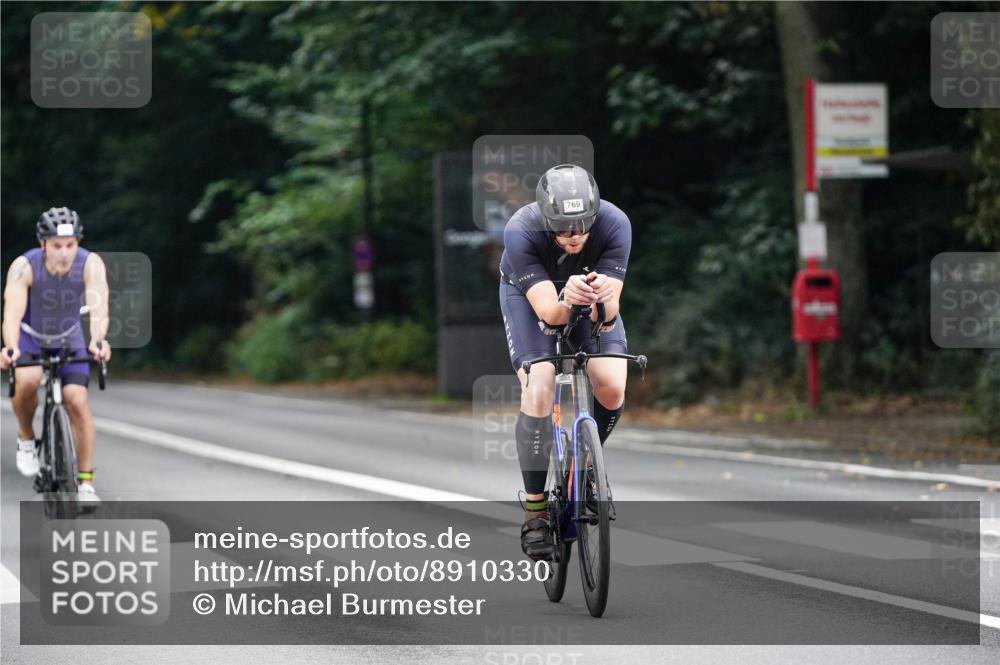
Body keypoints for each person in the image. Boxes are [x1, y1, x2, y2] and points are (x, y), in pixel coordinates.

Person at [498, 164, 631, 560]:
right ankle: (536, 509)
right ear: (545, 218)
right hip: (532, 299)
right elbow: (551, 316)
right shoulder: (520, 229)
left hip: (589, 299)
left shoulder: (614, 223)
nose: (574, 237)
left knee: (611, 383)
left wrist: (603, 300)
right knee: (539, 384)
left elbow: (608, 315)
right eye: (563, 228)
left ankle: (586, 463)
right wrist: (567, 298)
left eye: (582, 226)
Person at [1, 207, 112, 504]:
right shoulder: (23, 266)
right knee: (28, 380)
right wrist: (10, 346)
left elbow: (99, 307)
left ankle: (85, 482)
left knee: (77, 399)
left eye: (70, 245)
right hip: (31, 336)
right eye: (57, 246)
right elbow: (11, 313)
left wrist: (99, 340)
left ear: (77, 242)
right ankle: (26, 437)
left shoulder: (91, 264)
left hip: (69, 337)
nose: (64, 253)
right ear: (43, 245)